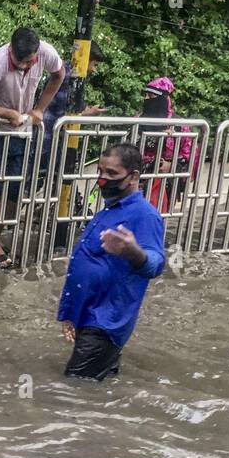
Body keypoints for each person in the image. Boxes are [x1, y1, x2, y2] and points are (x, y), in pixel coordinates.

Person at [57, 143, 166, 380]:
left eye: (112, 174)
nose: (103, 179)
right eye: (100, 172)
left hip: (106, 322)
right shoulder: (109, 210)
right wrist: (71, 313)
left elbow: (156, 264)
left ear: (134, 176)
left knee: (71, 394)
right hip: (90, 315)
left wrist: (133, 251)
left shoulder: (144, 215)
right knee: (97, 391)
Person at [0, 27, 66, 269]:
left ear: (36, 53)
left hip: (23, 131)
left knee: (15, 189)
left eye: (28, 62)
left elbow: (59, 74)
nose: (24, 67)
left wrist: (40, 109)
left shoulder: (46, 53)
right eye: (19, 62)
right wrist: (7, 114)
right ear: (11, 50)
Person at [136, 77, 198, 213]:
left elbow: (190, 158)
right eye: (145, 95)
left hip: (163, 183)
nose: (146, 99)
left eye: (151, 96)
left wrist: (171, 166)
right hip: (136, 178)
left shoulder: (179, 126)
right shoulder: (138, 120)